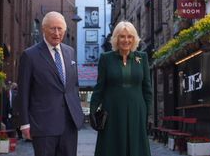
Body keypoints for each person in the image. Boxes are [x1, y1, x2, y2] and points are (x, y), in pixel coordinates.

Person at [17, 11, 84, 156]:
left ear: (64, 30)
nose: (57, 32)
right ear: (43, 29)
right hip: (43, 126)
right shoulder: (29, 55)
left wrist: (78, 112)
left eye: (60, 29)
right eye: (52, 28)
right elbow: (23, 92)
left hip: (69, 124)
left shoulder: (70, 52)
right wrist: (25, 123)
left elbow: (73, 86)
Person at [90, 21, 152, 156]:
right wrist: (93, 110)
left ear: (134, 39)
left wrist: (149, 115)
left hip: (137, 111)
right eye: (122, 36)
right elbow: (99, 87)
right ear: (116, 38)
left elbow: (147, 90)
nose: (126, 40)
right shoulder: (106, 58)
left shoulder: (142, 58)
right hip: (112, 111)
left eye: (130, 36)